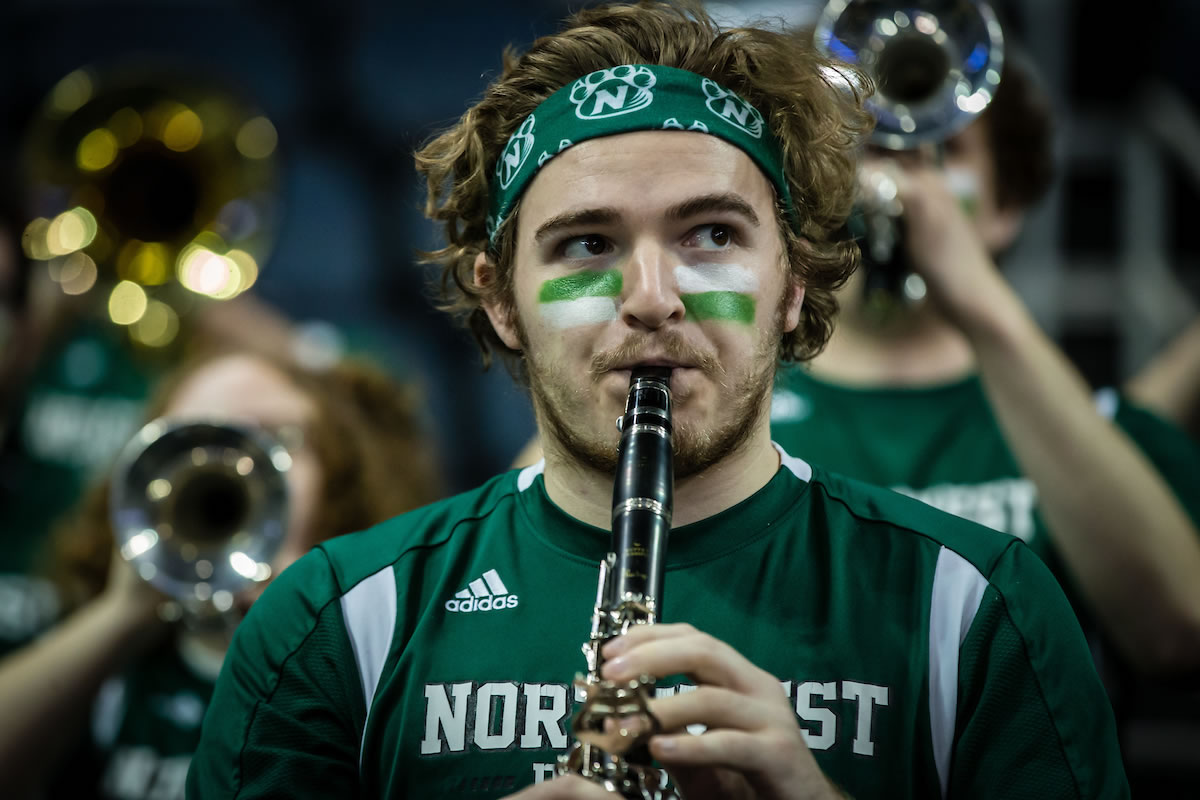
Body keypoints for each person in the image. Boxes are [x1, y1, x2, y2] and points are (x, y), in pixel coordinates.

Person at [187, 3, 1129, 798]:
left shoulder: (978, 606)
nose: (650, 297)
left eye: (711, 233)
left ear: (794, 283)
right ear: (499, 299)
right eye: (586, 245)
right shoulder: (333, 618)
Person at [768, 24, 1200, 681]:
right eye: (867, 142)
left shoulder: (1100, 425)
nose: (900, 165)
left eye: (944, 146)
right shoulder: (731, 404)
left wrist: (976, 297)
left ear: (1007, 204)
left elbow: (1178, 632)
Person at [0, 346, 441, 799]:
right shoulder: (116, 671)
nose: (227, 462)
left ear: (342, 471)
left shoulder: (378, 652)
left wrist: (302, 611)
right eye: (190, 440)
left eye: (272, 437)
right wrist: (121, 614)